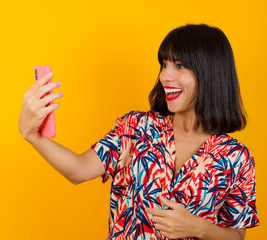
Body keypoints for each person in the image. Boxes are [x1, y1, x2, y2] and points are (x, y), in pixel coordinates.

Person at [18, 24, 259, 240]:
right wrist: (32, 135)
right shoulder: (136, 127)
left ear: (210, 73)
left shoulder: (237, 158)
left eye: (180, 66)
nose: (165, 76)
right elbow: (79, 170)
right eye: (164, 65)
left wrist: (199, 228)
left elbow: (237, 235)